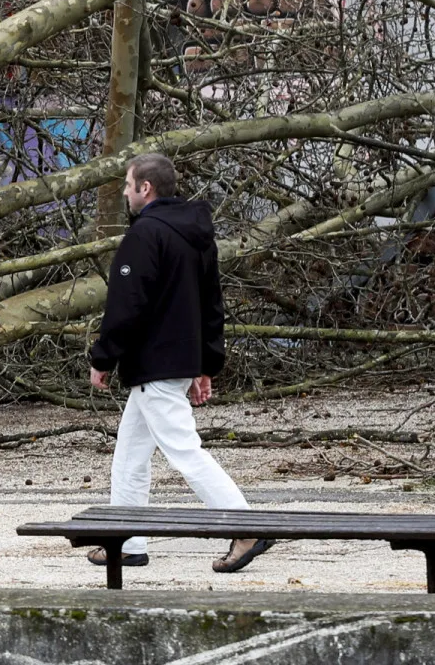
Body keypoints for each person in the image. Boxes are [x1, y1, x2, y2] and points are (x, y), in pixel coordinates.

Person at [88, 152, 271, 573]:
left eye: (128, 184)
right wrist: (204, 364)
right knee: (130, 455)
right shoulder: (196, 236)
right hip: (175, 363)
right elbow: (211, 306)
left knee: (185, 451)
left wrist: (104, 357)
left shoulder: (144, 236)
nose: (125, 192)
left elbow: (126, 304)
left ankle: (246, 526)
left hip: (154, 365)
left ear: (145, 188)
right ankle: (126, 541)